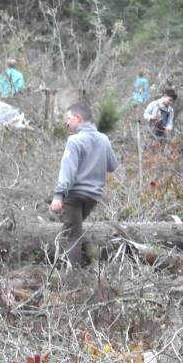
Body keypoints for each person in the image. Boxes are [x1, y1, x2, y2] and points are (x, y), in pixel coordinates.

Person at [50, 102, 119, 267]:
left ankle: (74, 276)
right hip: (93, 197)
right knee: (73, 229)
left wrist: (58, 195)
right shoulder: (104, 139)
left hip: (74, 195)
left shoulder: (74, 141)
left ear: (78, 118)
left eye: (69, 118)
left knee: (72, 235)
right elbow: (112, 166)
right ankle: (85, 261)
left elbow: (68, 171)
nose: (67, 123)